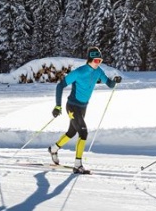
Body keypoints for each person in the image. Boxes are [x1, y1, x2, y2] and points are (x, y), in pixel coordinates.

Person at [48, 46, 121, 174]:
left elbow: (109, 84)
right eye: (96, 61)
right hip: (72, 106)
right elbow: (60, 86)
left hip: (83, 107)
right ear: (90, 60)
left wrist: (115, 81)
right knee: (83, 132)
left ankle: (53, 149)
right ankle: (78, 165)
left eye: (100, 61)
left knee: (71, 132)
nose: (98, 63)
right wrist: (58, 106)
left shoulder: (98, 71)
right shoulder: (79, 72)